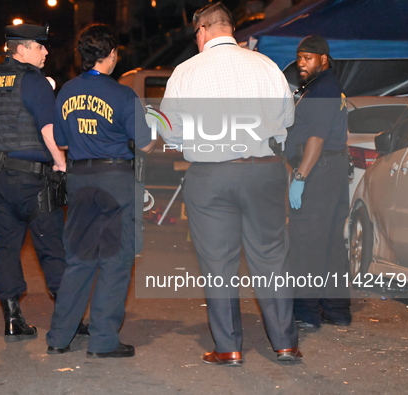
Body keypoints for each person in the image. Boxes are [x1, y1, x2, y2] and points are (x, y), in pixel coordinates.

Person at [158, 2, 301, 366]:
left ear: (201, 31)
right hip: (264, 171)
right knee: (271, 257)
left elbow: (169, 131)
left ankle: (229, 348)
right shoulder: (266, 65)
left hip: (211, 175)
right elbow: (287, 119)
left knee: (218, 263)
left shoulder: (187, 71)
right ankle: (285, 344)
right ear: (231, 29)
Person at [45, 23, 154, 358]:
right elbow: (146, 144)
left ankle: (59, 337)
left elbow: (61, 140)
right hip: (116, 180)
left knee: (78, 259)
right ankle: (103, 341)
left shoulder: (65, 92)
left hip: (79, 180)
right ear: (110, 55)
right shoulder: (122, 94)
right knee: (116, 261)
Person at [0, 23, 68, 342]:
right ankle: (68, 320)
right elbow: (48, 130)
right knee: (51, 247)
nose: (46, 51)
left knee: (7, 247)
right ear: (22, 49)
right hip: (31, 178)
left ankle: (12, 318)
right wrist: (61, 164)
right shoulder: (32, 80)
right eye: (40, 46)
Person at [285, 35, 351, 328]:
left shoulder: (324, 89)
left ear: (323, 59)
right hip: (331, 171)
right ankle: (336, 309)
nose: (301, 63)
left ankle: (306, 312)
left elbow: (317, 137)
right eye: (299, 57)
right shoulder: (322, 87)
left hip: (318, 173)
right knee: (331, 243)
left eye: (307, 58)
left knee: (307, 243)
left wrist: (300, 176)